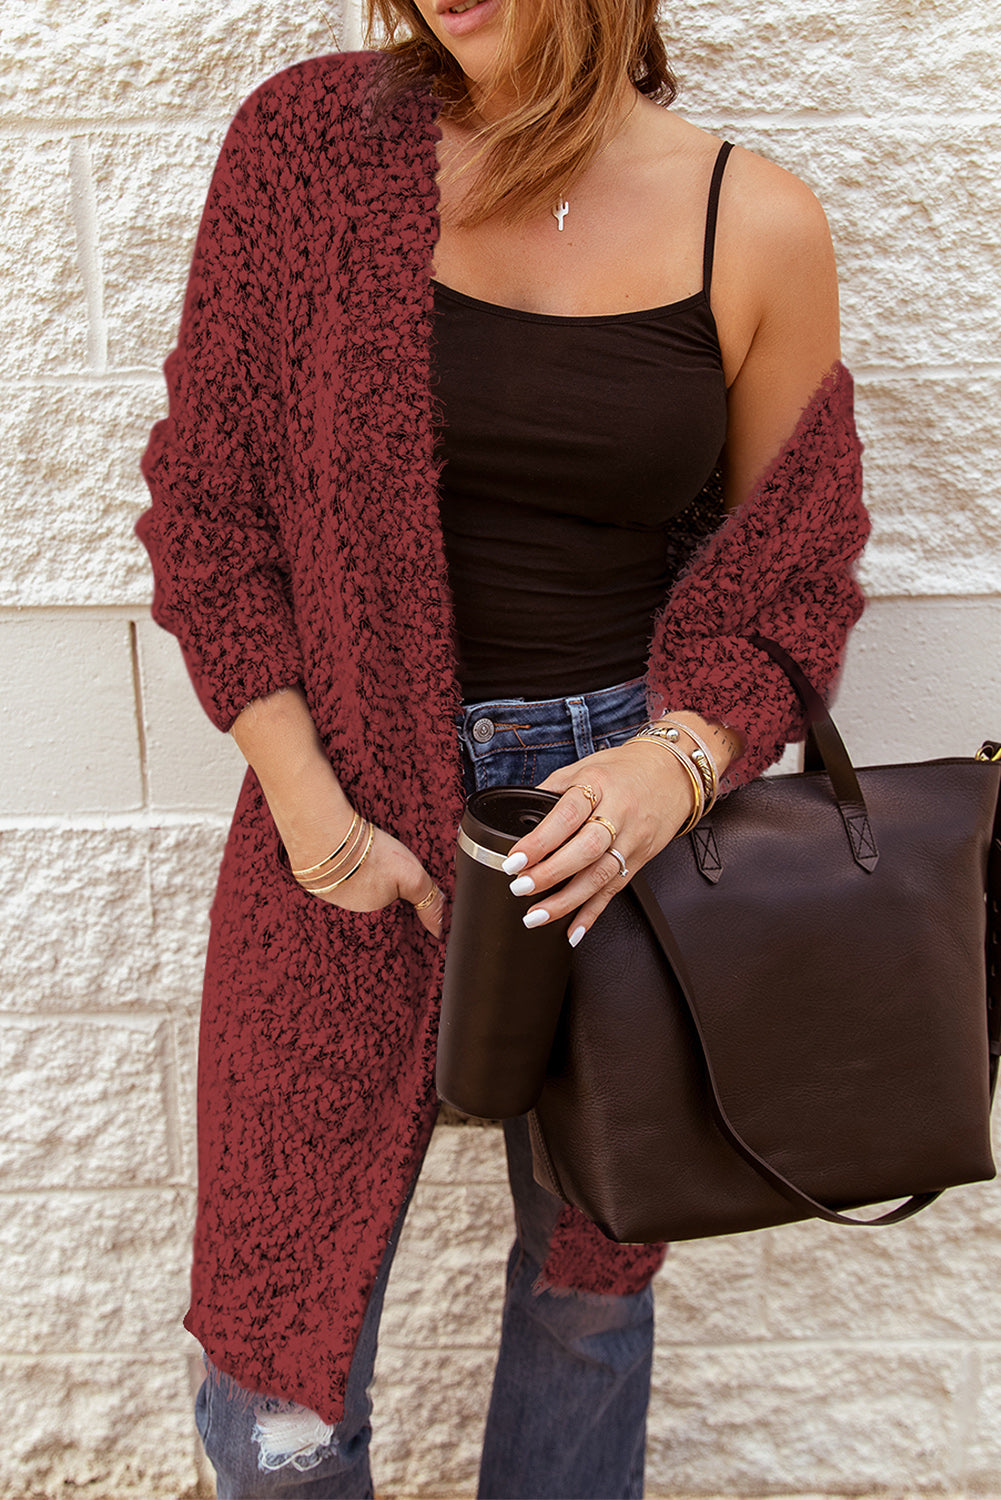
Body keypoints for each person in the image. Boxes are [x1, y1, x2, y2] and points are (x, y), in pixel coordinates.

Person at [136, 0, 869, 1495]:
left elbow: (789, 580)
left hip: (616, 823)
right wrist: (314, 815)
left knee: (588, 1290)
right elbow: (209, 513)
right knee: (274, 1371)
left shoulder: (755, 223)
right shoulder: (311, 147)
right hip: (340, 794)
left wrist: (675, 763)